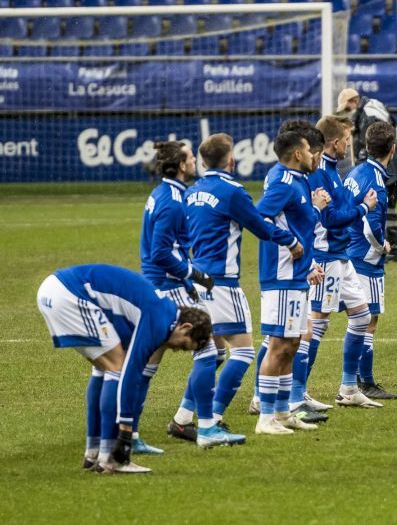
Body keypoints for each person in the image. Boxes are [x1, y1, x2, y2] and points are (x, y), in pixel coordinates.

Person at [36, 264, 212, 473]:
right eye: (183, 345)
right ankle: (112, 459)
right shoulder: (159, 320)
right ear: (185, 327)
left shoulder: (162, 311)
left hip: (54, 290)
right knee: (116, 369)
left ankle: (94, 454)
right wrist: (126, 432)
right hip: (69, 294)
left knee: (103, 370)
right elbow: (131, 373)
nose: (175, 350)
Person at [184, 133, 303, 429]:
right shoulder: (233, 191)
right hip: (221, 282)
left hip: (195, 278)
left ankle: (184, 416)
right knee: (243, 352)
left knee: (211, 352)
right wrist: (290, 241)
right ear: (231, 160)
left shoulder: (191, 191)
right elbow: (260, 226)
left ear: (201, 162)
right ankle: (213, 417)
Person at [140, 141, 243, 449]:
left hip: (164, 285)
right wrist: (192, 275)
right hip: (166, 286)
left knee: (148, 365)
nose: (194, 161)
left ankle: (129, 429)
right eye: (188, 157)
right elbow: (160, 252)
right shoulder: (172, 200)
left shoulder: (164, 193)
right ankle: (207, 427)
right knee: (209, 352)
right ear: (182, 165)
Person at [302, 116, 384, 413]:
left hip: (342, 257)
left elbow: (342, 207)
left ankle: (349, 389)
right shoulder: (320, 173)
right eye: (348, 138)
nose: (351, 143)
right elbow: (330, 218)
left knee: (362, 317)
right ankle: (299, 393)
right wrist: (364, 207)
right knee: (317, 325)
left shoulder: (334, 171)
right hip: (326, 258)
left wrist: (357, 201)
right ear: (335, 142)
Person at [254, 123, 331, 434]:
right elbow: (259, 216)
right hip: (281, 277)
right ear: (298, 153)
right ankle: (265, 417)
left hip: (298, 276)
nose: (315, 155)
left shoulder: (299, 181)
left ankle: (284, 412)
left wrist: (308, 261)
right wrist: (287, 242)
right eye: (311, 150)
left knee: (293, 344)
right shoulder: (284, 182)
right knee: (278, 346)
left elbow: (300, 225)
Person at [341, 121, 397, 405]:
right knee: (368, 321)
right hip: (365, 258)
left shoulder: (357, 171)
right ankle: (362, 382)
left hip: (349, 251)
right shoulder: (377, 182)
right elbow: (370, 225)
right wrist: (383, 245)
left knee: (360, 320)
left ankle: (356, 381)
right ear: (392, 148)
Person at [337, 87, 397, 262]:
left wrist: (364, 160)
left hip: (386, 163)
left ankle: (393, 246)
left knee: (385, 205)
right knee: (388, 205)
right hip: (391, 160)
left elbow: (375, 140)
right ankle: (395, 246)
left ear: (353, 101)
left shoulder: (367, 114)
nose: (348, 113)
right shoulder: (373, 105)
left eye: (347, 108)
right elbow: (392, 123)